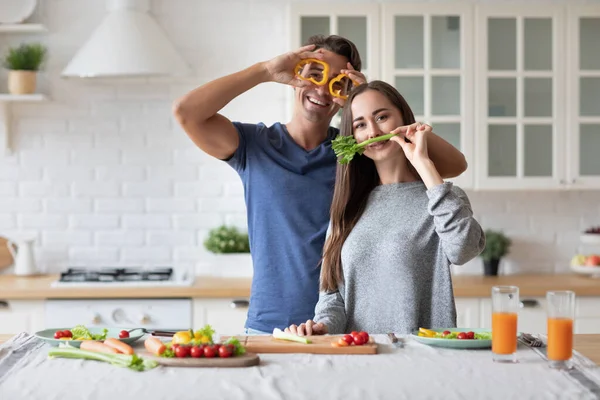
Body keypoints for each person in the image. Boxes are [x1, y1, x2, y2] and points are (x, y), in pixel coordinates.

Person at [173, 35, 468, 334]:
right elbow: (187, 113)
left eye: (336, 83)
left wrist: (360, 101)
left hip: (339, 326)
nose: (322, 89)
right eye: (314, 74)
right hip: (269, 325)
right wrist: (265, 71)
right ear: (295, 77)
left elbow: (454, 165)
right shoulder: (256, 146)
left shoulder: (353, 152)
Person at [285, 80, 485, 336]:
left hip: (422, 358)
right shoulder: (347, 208)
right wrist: (322, 326)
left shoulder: (443, 197)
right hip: (361, 356)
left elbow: (463, 250)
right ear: (352, 137)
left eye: (382, 117)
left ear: (404, 120)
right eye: (360, 124)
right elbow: (333, 297)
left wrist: (424, 165)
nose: (372, 132)